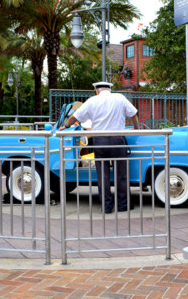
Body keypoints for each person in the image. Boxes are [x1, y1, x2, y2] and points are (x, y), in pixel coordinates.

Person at [59, 81, 139, 213]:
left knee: (103, 175)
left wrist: (66, 126)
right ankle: (123, 205)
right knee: (121, 174)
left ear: (97, 90)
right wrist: (136, 128)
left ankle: (107, 207)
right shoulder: (120, 98)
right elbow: (133, 114)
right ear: (110, 89)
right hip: (117, 140)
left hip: (100, 141)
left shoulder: (92, 101)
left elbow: (74, 117)